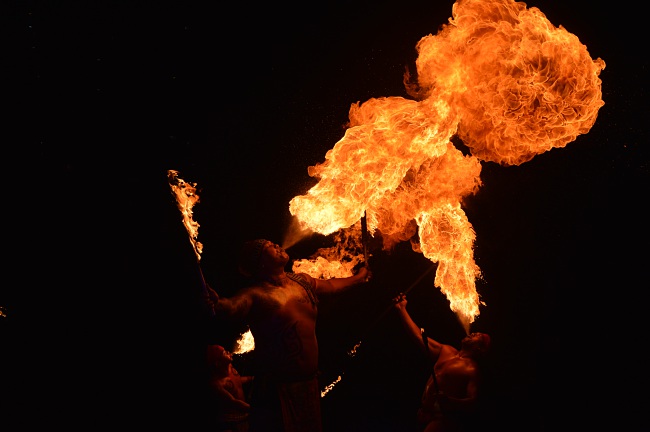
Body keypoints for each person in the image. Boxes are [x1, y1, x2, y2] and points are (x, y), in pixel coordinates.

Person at [204, 239, 372, 432]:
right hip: (278, 390)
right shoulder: (255, 294)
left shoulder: (302, 281)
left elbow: (332, 286)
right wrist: (217, 304)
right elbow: (232, 306)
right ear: (261, 263)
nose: (276, 245)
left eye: (273, 243)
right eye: (268, 246)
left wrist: (359, 277)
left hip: (309, 384)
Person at [392, 293, 490, 432]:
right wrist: (401, 309)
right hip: (422, 413)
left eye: (477, 336)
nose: (472, 334)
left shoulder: (471, 369)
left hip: (442, 420)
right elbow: (418, 336)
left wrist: (451, 401)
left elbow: (472, 402)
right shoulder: (447, 351)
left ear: (479, 348)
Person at [205, 344, 254, 432]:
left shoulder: (231, 367)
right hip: (230, 423)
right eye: (224, 353)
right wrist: (255, 409)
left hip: (245, 417)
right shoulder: (217, 383)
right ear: (218, 363)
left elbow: (237, 381)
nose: (228, 352)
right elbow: (233, 402)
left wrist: (251, 378)